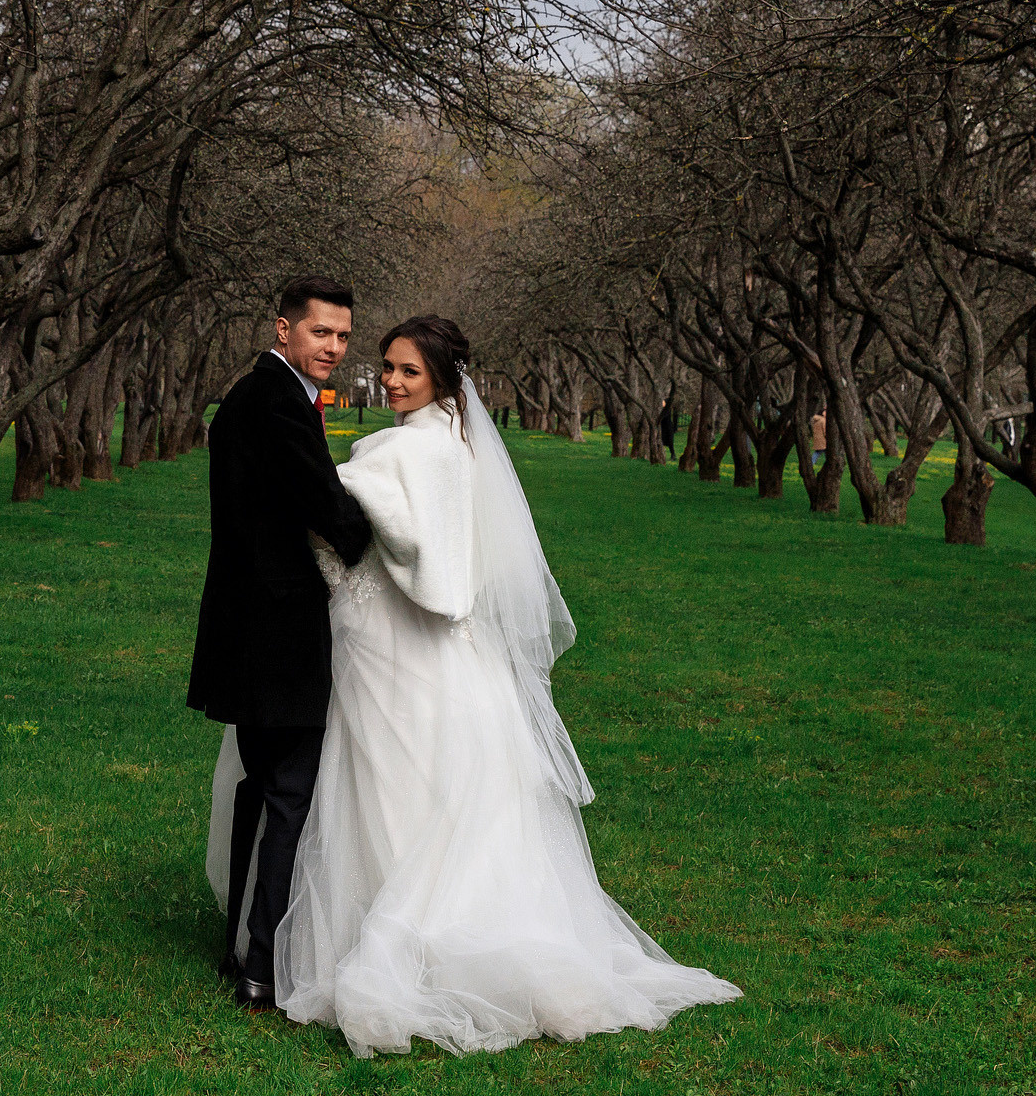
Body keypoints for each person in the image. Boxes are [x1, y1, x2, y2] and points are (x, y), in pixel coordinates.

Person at [209, 314, 739, 1056]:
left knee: (384, 780)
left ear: (443, 381)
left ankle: (377, 932)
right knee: (431, 783)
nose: (391, 380)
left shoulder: (399, 453)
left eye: (408, 372)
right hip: (437, 652)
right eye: (387, 366)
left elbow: (363, 530)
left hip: (388, 646)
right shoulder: (457, 449)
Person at [189, 277, 373, 1010]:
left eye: (342, 336)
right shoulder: (276, 401)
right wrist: (371, 542)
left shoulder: (252, 394)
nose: (333, 346)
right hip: (279, 630)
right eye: (321, 332)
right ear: (285, 328)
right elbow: (322, 503)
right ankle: (263, 965)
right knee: (289, 793)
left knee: (259, 786)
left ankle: (239, 946)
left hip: (247, 626)